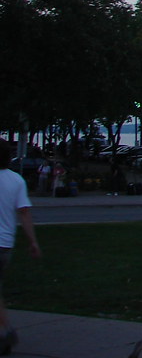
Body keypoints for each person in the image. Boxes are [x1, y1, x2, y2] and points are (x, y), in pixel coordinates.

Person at [0, 139, 42, 355]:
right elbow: (24, 213)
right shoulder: (16, 180)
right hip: (5, 245)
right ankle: (5, 331)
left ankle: (6, 331)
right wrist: (32, 241)